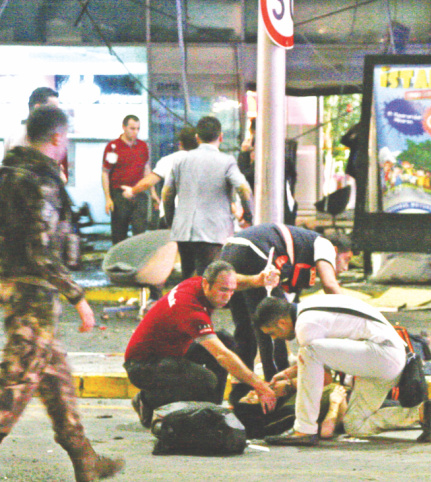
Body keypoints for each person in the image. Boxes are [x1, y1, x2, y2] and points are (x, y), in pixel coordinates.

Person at [0, 105, 125, 481]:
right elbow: (40, 250)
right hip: (34, 292)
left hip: (16, 284)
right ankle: (85, 458)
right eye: (66, 137)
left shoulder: (10, 172)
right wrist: (78, 296)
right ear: (57, 138)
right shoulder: (38, 179)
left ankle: (85, 458)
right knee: (15, 383)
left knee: (56, 378)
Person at [252, 295, 431, 446]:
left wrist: (287, 386)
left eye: (273, 333)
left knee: (308, 351)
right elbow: (321, 359)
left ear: (282, 322)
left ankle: (304, 429)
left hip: (382, 354)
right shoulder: (312, 305)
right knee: (354, 424)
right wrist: (288, 374)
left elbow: (323, 375)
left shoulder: (304, 325)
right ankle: (421, 413)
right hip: (386, 358)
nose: (276, 338)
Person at [123, 260, 277, 429]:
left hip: (170, 352)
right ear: (206, 284)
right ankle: (147, 400)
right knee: (205, 379)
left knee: (225, 339)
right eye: (223, 290)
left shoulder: (196, 283)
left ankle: (212, 410)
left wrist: (257, 280)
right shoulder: (190, 309)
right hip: (142, 366)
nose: (228, 296)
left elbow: (233, 281)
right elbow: (222, 355)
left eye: (231, 291)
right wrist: (260, 385)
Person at [220, 224, 353, 403]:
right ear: (335, 250)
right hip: (254, 250)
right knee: (273, 325)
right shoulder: (324, 244)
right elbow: (329, 284)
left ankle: (240, 391)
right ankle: (276, 390)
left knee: (245, 328)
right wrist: (353, 313)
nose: (346, 267)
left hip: (229, 250)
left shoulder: (299, 253)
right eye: (346, 259)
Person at [163, 116, 254, 280]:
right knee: (208, 281)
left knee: (188, 279)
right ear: (221, 137)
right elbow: (244, 189)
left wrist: (172, 220)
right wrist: (248, 214)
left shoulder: (180, 160)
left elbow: (167, 194)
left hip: (183, 230)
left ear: (197, 138)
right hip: (213, 233)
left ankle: (189, 305)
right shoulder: (226, 161)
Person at [120, 126, 198, 228]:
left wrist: (132, 191)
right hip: (197, 217)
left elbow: (147, 182)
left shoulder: (169, 160)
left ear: (180, 143)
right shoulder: (206, 162)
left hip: (172, 216)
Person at [102, 114, 154, 245]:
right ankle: (118, 263)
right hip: (120, 195)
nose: (135, 132)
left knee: (140, 233)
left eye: (138, 129)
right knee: (119, 234)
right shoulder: (113, 147)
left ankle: (138, 261)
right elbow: (105, 173)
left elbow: (147, 169)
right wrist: (108, 198)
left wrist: (152, 192)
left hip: (139, 193)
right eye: (132, 128)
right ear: (124, 127)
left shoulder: (142, 146)